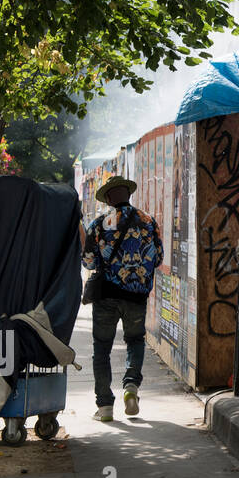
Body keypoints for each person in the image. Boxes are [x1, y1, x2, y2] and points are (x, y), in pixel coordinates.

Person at [82, 175, 164, 422]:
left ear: (108, 199)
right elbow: (158, 257)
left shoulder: (98, 224)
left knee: (101, 349)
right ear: (128, 194)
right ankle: (131, 387)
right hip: (137, 296)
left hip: (107, 295)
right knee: (135, 341)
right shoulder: (148, 221)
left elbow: (88, 261)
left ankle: (105, 406)